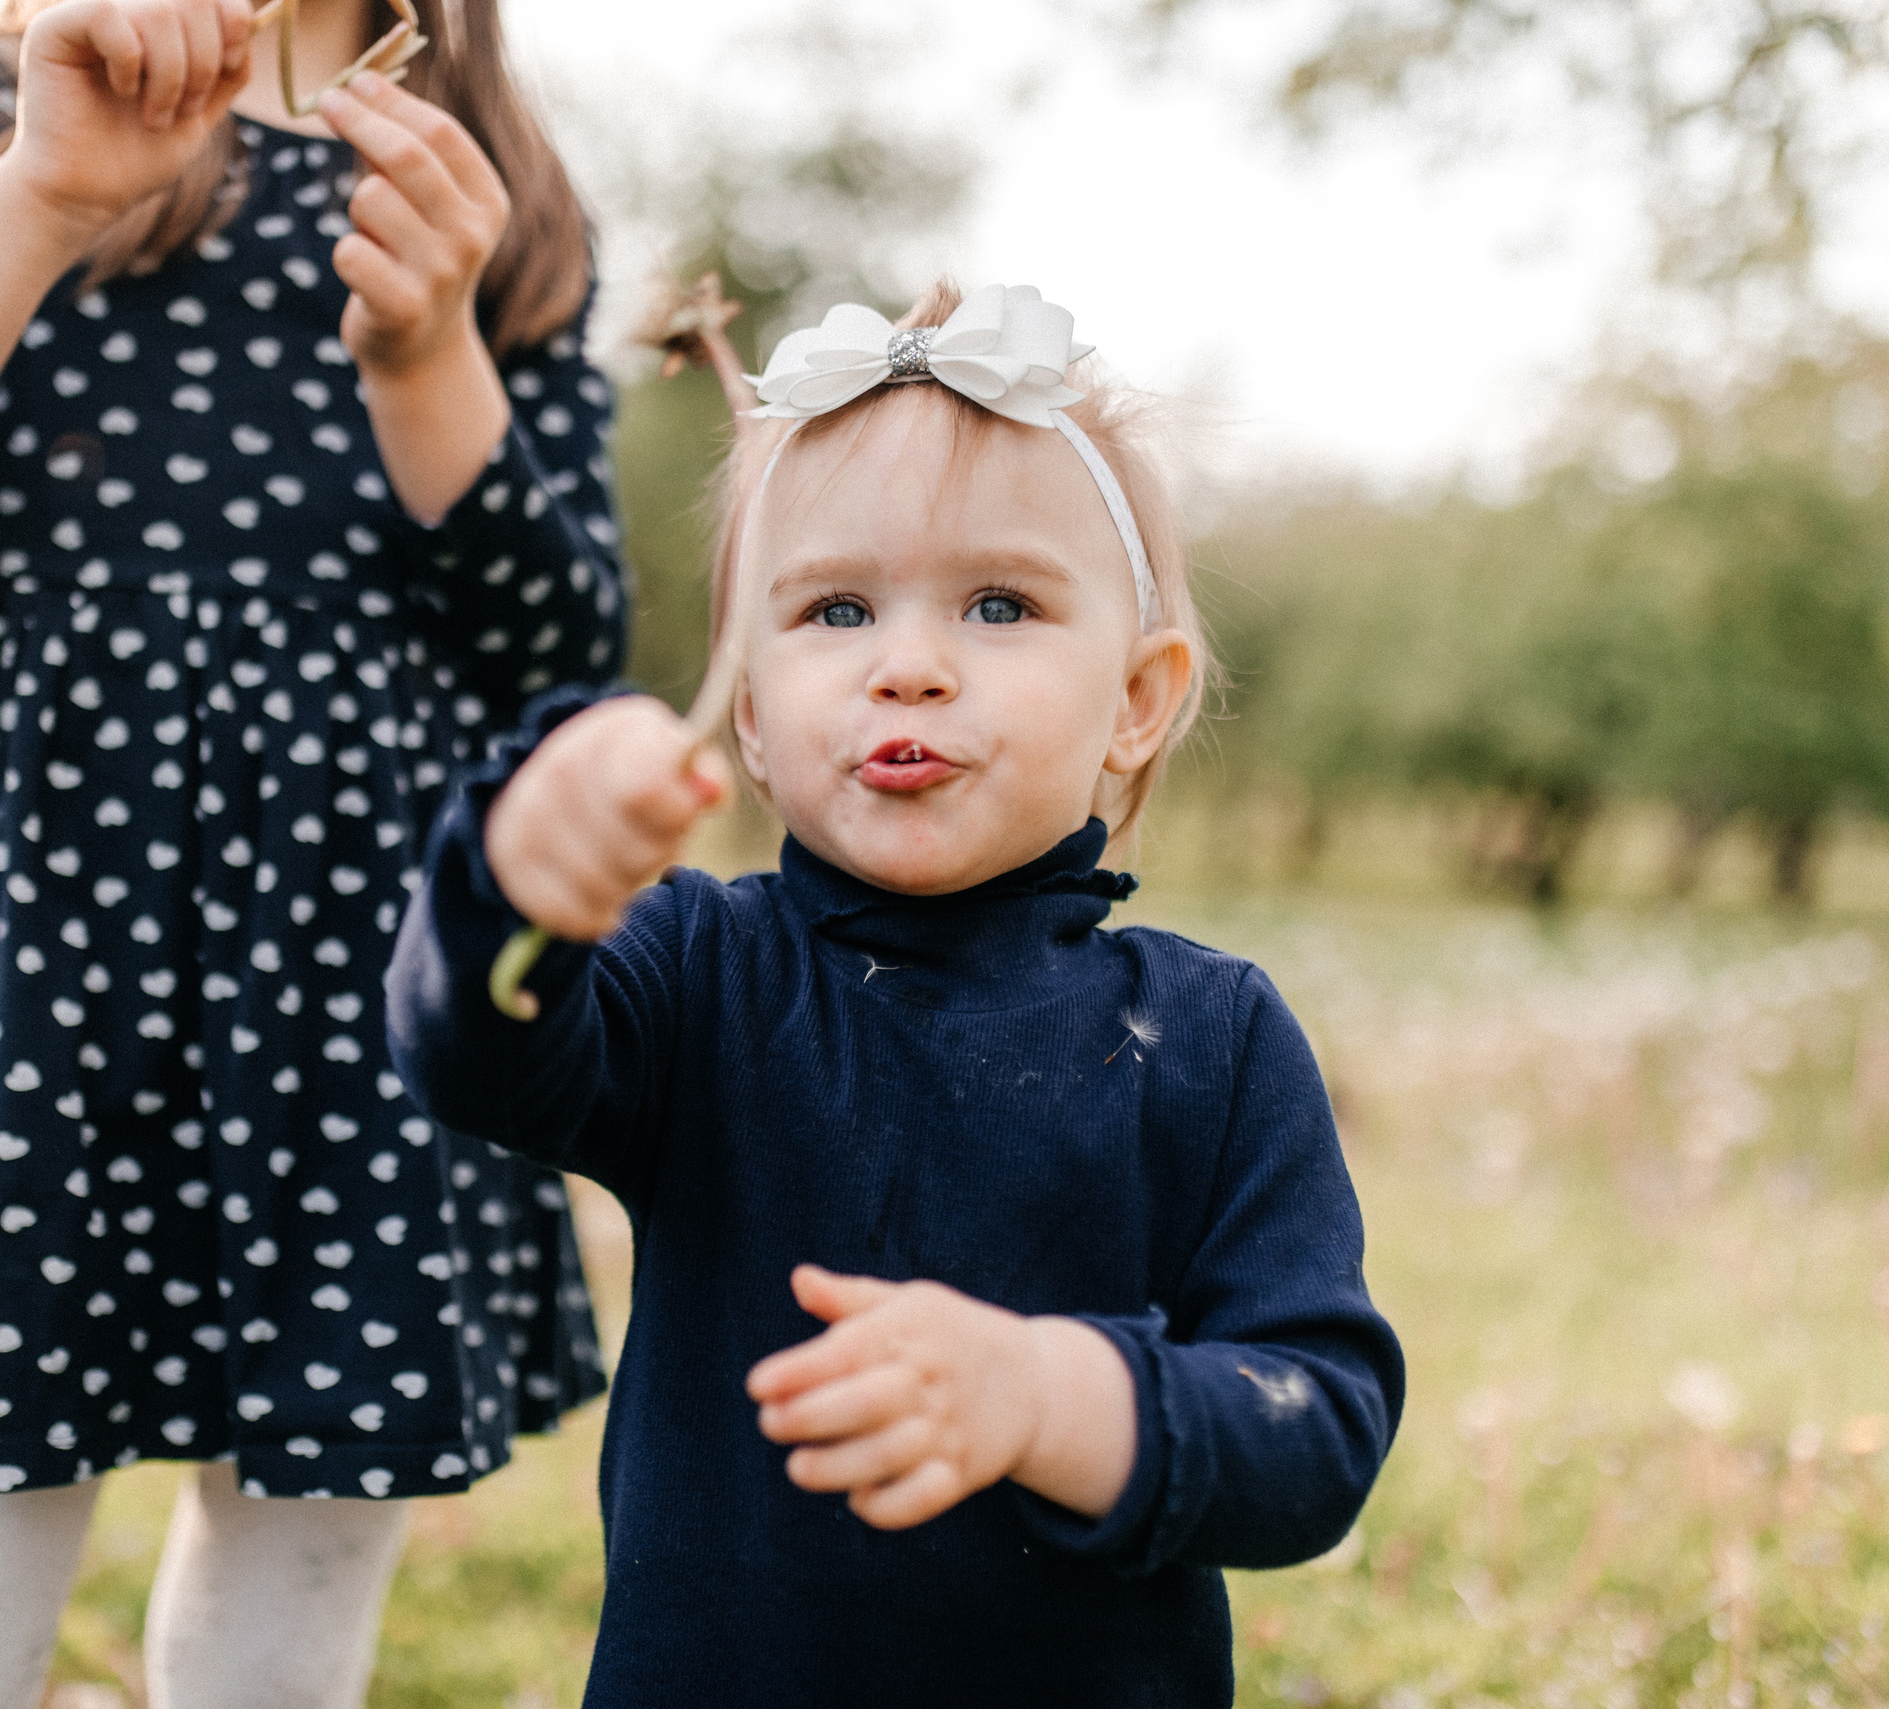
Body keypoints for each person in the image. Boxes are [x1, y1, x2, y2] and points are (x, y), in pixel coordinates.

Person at [0, 1, 627, 1702]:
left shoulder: (489, 186)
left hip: (359, 1007)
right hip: (31, 985)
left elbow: (559, 666)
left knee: (279, 1665)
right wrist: (38, 197)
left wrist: (429, 355)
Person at [387, 281, 1405, 1706]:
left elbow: (1319, 1431)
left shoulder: (1212, 1039)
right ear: (750, 710)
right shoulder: (697, 973)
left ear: (1137, 698)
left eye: (999, 604)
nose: (908, 668)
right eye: (837, 608)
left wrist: (1051, 1397)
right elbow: (477, 1054)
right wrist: (517, 876)